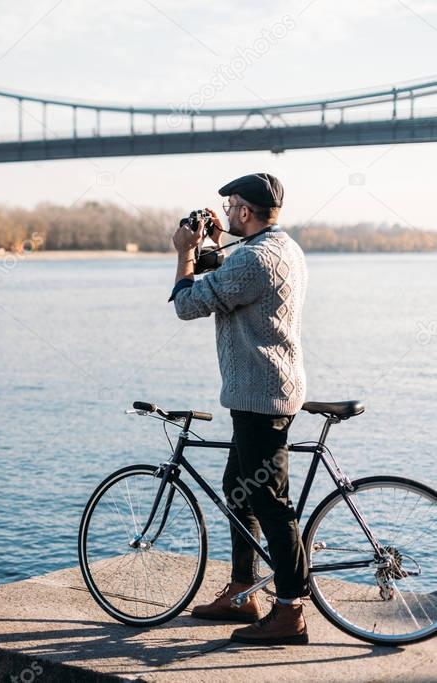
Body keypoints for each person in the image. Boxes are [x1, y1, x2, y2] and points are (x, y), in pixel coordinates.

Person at [169, 172, 310, 645]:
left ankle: (289, 611)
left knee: (270, 503)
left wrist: (184, 253)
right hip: (266, 390)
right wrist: (215, 242)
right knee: (239, 488)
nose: (226, 212)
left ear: (246, 211)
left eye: (230, 206)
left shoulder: (252, 260)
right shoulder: (282, 248)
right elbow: (230, 272)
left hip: (261, 396)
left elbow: (187, 305)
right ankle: (243, 591)